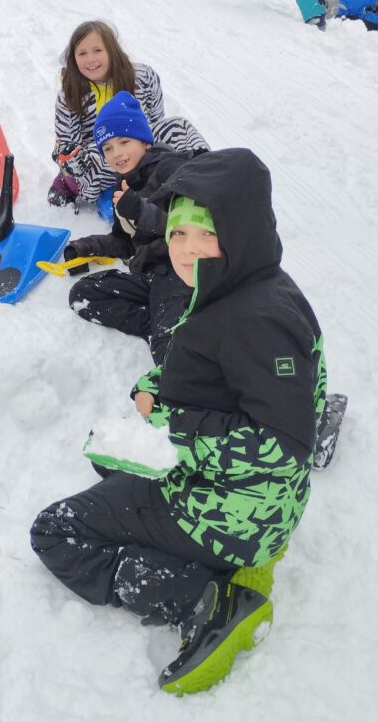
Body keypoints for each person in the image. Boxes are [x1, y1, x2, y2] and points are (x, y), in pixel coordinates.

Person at [31, 148, 327, 695]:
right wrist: (154, 393)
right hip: (242, 497)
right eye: (179, 233)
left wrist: (170, 429)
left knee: (55, 532)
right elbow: (207, 374)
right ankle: (218, 557)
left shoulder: (257, 321)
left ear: (239, 232)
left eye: (204, 235)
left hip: (231, 511)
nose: (187, 250)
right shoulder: (243, 285)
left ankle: (207, 600)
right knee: (106, 459)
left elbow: (283, 448)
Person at [64, 91, 203, 364]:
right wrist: (86, 246)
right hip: (152, 277)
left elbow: (191, 228)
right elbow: (125, 240)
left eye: (124, 142)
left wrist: (140, 210)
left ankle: (173, 342)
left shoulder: (170, 169)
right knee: (83, 295)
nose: (116, 154)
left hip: (181, 271)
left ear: (145, 141)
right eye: (107, 148)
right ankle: (161, 326)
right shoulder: (123, 184)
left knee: (169, 354)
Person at [48, 21, 207, 208]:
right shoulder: (71, 95)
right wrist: (72, 162)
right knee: (93, 157)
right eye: (82, 53)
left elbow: (156, 121)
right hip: (102, 157)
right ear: (73, 59)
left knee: (178, 127)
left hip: (138, 151)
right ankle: (69, 185)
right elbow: (70, 146)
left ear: (112, 50)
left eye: (97, 50)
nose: (90, 59)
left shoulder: (142, 77)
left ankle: (205, 177)